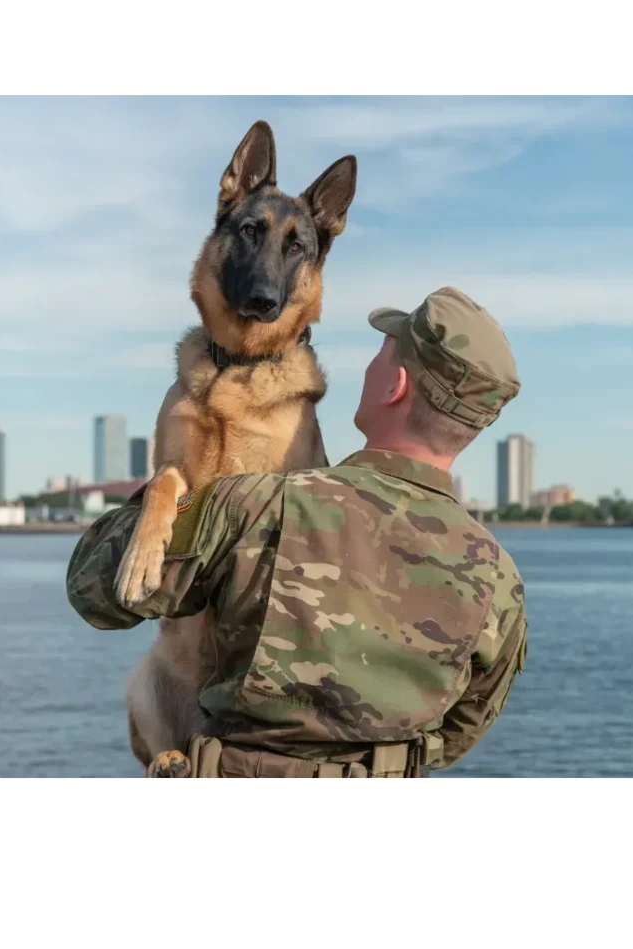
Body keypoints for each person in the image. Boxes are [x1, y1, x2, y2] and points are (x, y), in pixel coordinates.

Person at [66, 286, 527, 780]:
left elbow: (94, 590)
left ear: (395, 385)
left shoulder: (257, 505)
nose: (368, 368)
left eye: (380, 353)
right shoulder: (498, 578)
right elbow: (459, 730)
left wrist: (174, 473)